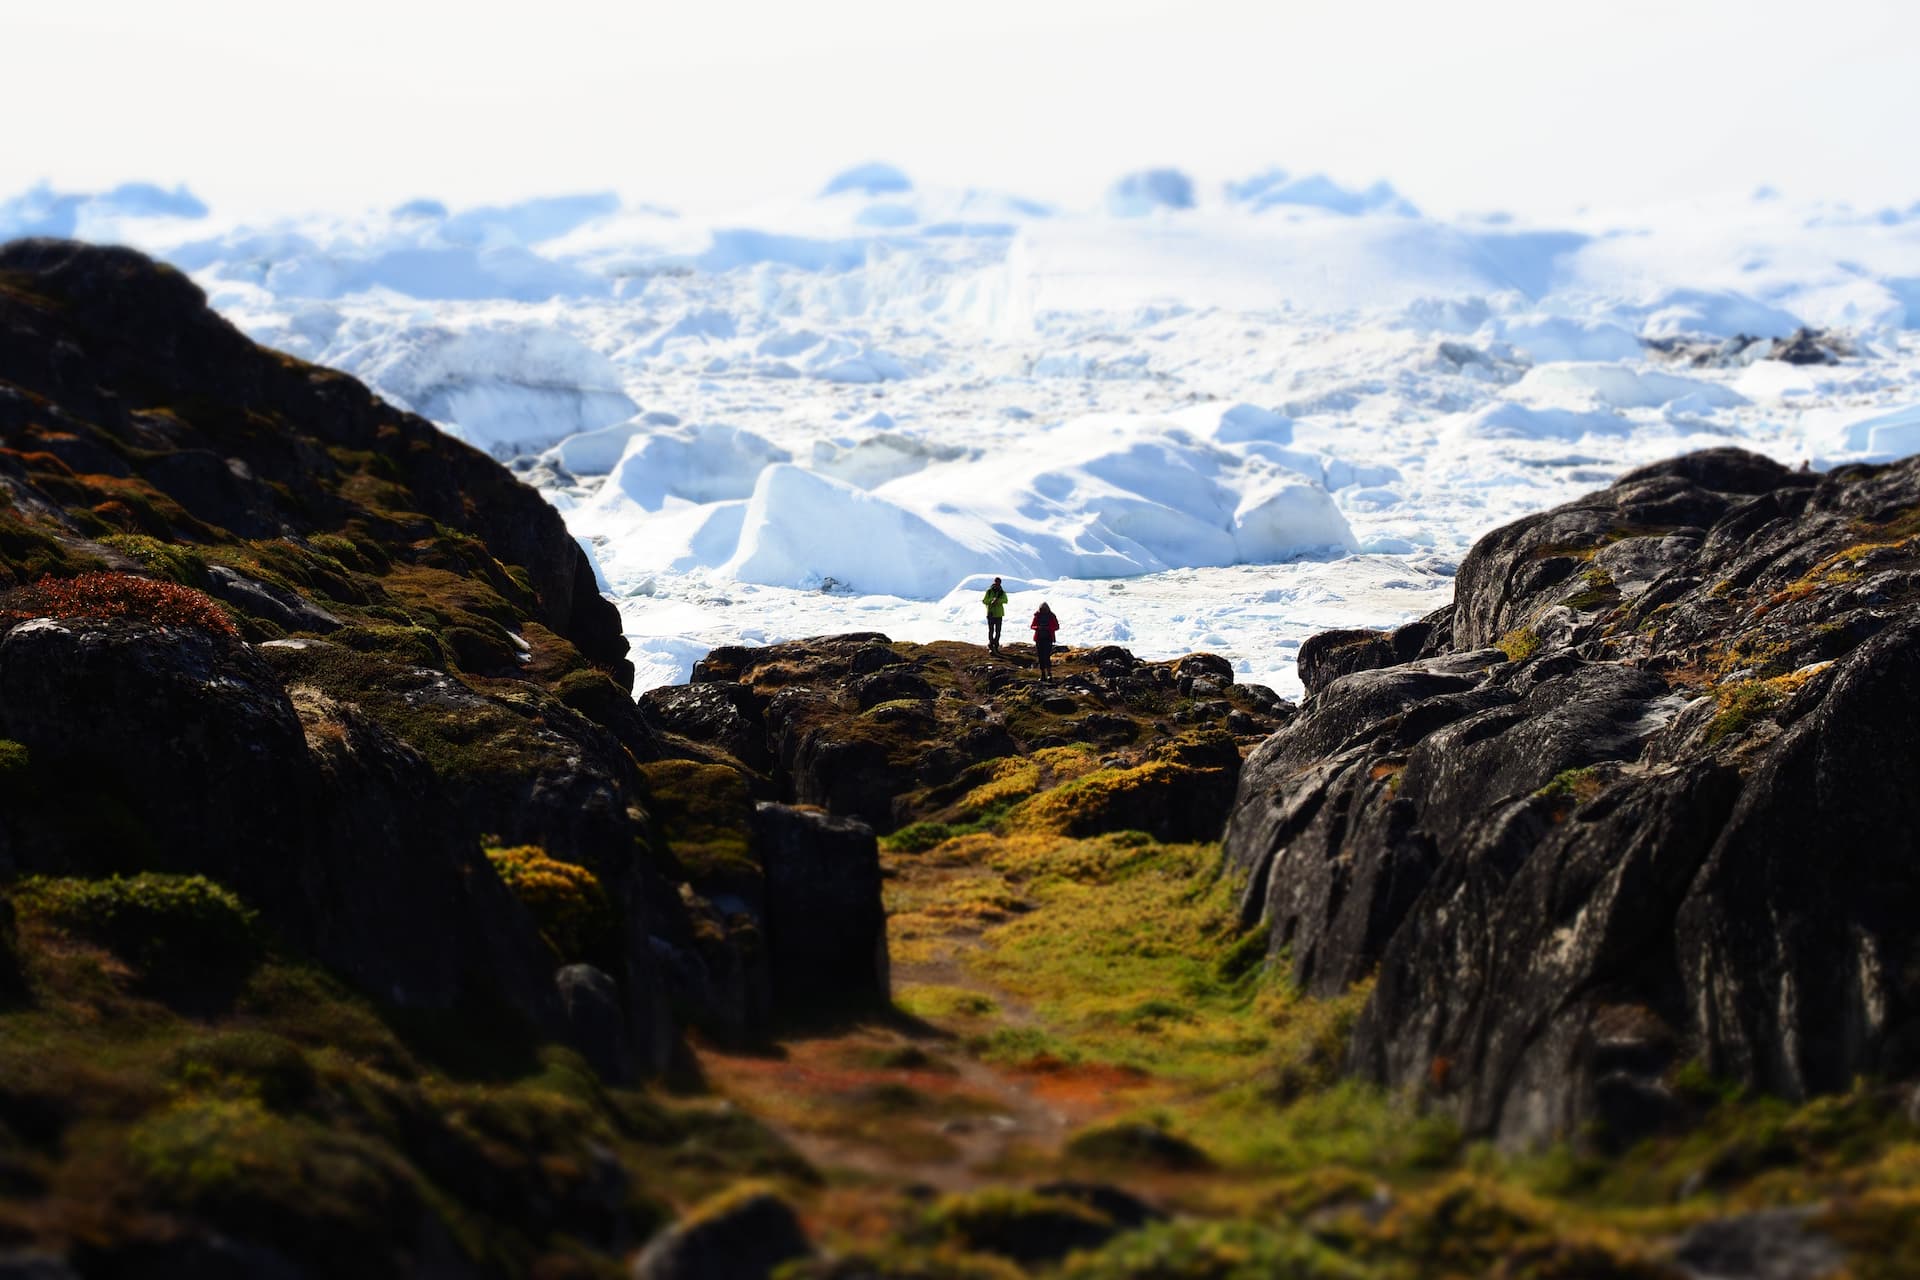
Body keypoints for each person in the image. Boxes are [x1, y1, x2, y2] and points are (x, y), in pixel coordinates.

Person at [1030, 601, 1059, 682]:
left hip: (1048, 639)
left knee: (1046, 656)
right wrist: (1038, 627)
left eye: (1044, 609)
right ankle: (1043, 674)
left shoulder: (1051, 616)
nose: (1043, 610)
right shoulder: (1037, 615)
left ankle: (1049, 674)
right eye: (1042, 609)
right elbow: (1032, 626)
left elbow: (1056, 627)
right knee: (1040, 657)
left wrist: (1047, 628)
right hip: (1039, 639)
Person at [982, 577, 1008, 654]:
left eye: (998, 583)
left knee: (998, 631)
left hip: (999, 614)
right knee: (991, 630)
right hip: (991, 613)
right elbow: (984, 601)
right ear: (994, 582)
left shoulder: (1002, 592)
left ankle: (996, 645)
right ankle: (991, 644)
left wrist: (998, 601)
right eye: (996, 582)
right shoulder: (989, 591)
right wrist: (991, 600)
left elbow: (1006, 600)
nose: (997, 584)